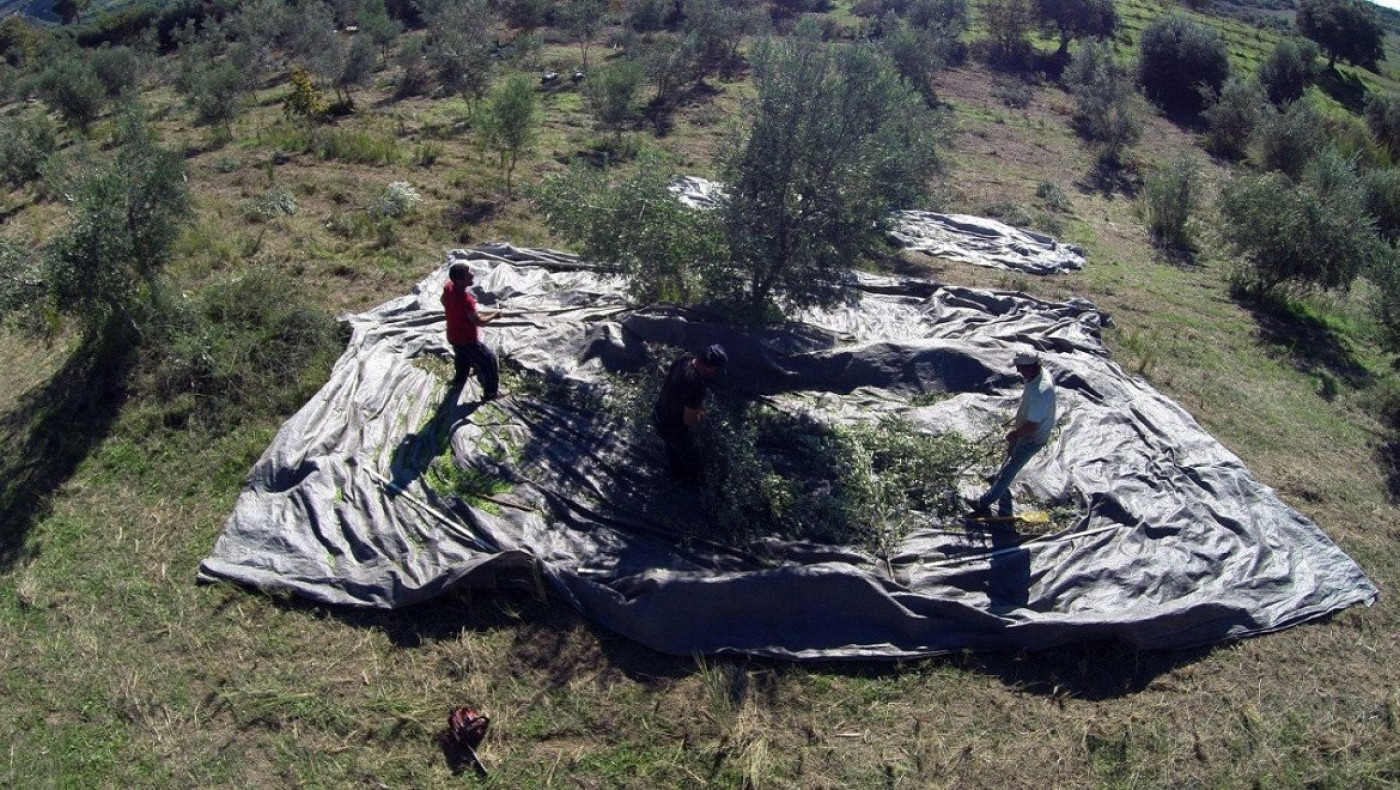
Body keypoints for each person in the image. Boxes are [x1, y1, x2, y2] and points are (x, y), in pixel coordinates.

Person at [973, 350, 1057, 518]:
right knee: (1010, 453)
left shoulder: (1042, 391)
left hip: (1033, 438)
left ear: (1031, 367)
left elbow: (1032, 427)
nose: (1018, 371)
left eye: (1020, 367)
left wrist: (1015, 433)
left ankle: (983, 502)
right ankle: (997, 478)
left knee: (1011, 469)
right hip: (1024, 428)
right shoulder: (1035, 375)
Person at [652, 344, 728, 482]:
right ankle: (699, 482)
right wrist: (701, 416)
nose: (714, 372)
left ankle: (677, 475)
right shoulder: (697, 385)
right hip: (672, 427)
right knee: (692, 458)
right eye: (715, 368)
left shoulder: (683, 360)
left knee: (671, 447)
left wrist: (695, 406)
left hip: (658, 414)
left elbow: (672, 384)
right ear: (710, 366)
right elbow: (689, 420)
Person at [441, 262, 501, 400]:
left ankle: (459, 380)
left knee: (462, 358)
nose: (472, 275)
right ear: (459, 280)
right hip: (466, 339)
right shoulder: (466, 300)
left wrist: (455, 311)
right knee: (489, 360)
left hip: (452, 335)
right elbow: (478, 321)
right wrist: (494, 315)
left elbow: (443, 300)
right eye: (468, 274)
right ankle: (491, 393)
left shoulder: (448, 287)